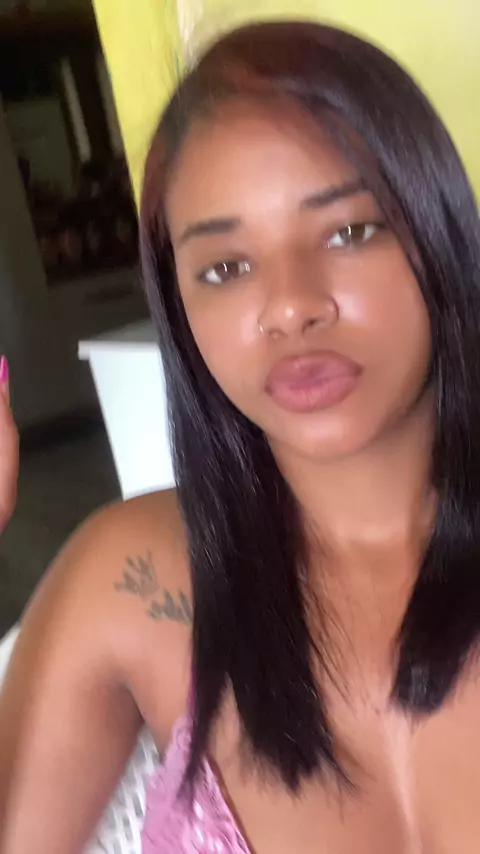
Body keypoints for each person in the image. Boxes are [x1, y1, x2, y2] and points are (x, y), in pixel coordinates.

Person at [1, 18, 480, 853]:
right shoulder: (133, 580)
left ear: (438, 232)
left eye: (349, 231)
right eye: (225, 267)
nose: (290, 305)